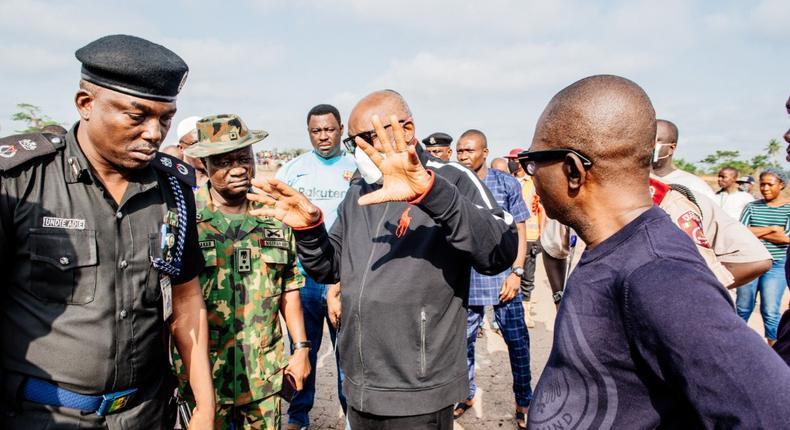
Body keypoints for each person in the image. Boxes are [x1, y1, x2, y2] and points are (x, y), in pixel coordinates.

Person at [523, 74, 790, 428]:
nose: (531, 175)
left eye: (534, 161)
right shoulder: (617, 250)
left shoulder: (658, 275)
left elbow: (772, 411)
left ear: (573, 170)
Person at [247, 89, 517, 430]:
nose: (360, 150)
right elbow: (329, 267)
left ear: (406, 129)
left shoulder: (451, 179)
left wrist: (432, 195)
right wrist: (311, 230)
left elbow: (499, 251)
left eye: (367, 139)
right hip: (361, 383)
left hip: (418, 388)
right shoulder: (361, 187)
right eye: (353, 143)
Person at [0, 35, 214, 429]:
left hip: (146, 414)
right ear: (86, 104)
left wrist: (204, 407)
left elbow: (186, 302)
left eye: (165, 118)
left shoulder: (175, 192)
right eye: (138, 116)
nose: (155, 132)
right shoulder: (19, 182)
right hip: (41, 416)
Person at [174, 114, 309, 429]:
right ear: (204, 164)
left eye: (244, 158)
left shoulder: (274, 217)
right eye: (224, 161)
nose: (237, 168)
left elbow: (289, 287)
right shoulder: (185, 220)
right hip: (204, 378)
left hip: (264, 373)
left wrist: (301, 348)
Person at [275, 104, 356, 429]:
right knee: (302, 349)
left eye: (329, 129)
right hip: (304, 279)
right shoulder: (293, 170)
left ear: (340, 129)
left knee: (347, 356)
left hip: (344, 279)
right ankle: (298, 417)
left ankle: (352, 417)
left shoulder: (357, 169)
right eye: (316, 131)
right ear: (309, 132)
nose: (323, 136)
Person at [454, 130, 531, 429]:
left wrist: (517, 272)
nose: (463, 156)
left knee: (517, 342)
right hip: (467, 279)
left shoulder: (506, 183)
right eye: (459, 151)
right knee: (463, 343)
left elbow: (520, 230)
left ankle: (524, 400)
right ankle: (466, 394)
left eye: (469, 150)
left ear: (484, 152)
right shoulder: (453, 184)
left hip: (503, 279)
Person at [736, 167, 790, 345]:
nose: (765, 188)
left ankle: (773, 353)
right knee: (743, 308)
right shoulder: (752, 206)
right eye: (762, 184)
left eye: (770, 184)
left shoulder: (788, 209)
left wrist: (756, 232)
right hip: (750, 262)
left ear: (781, 185)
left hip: (776, 265)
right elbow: (740, 232)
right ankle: (736, 345)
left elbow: (786, 238)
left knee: (770, 310)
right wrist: (772, 229)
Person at [505, 147, 544, 326]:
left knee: (527, 274)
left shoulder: (533, 182)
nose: (512, 162)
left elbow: (540, 210)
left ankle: (526, 311)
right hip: (509, 235)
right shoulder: (505, 180)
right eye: (510, 159)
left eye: (514, 159)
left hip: (530, 235)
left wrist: (540, 235)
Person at [651, 119, 716, 200]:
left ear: (671, 148)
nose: (649, 144)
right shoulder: (635, 181)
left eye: (655, 140)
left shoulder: (694, 186)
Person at [177, 116, 209, 187]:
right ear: (181, 148)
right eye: (196, 144)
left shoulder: (218, 181)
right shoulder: (175, 182)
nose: (203, 149)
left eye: (206, 142)